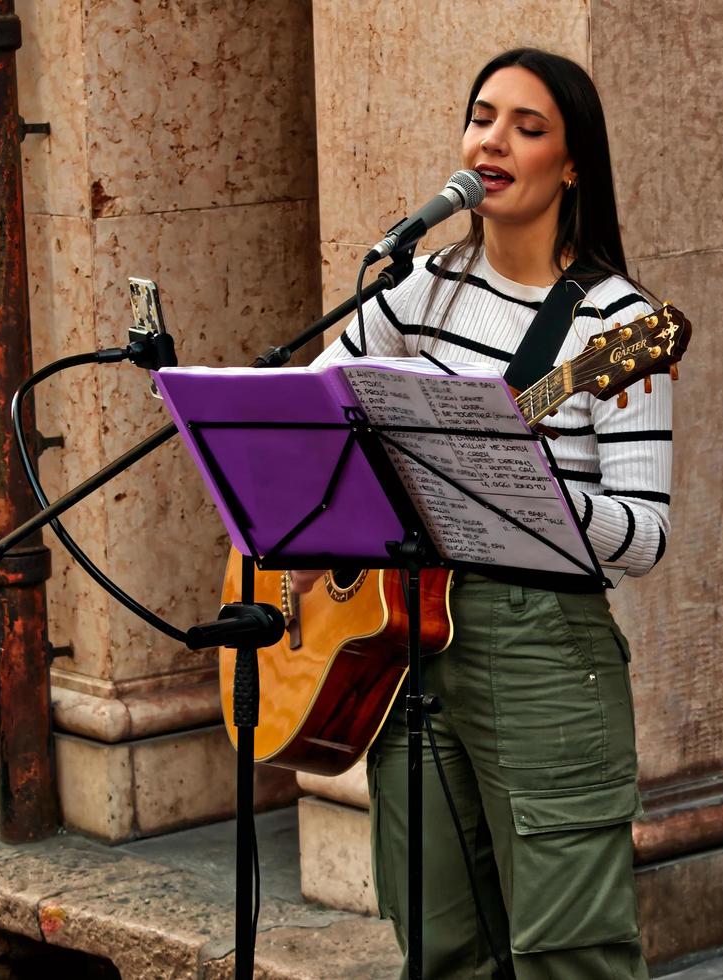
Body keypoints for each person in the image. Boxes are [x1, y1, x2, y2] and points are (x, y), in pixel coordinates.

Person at [293, 47, 670, 980]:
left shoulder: (617, 328)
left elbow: (646, 532)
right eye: (481, 117)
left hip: (543, 647)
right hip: (403, 642)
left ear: (572, 163)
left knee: (565, 954)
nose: (492, 140)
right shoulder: (418, 286)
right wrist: (304, 525)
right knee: (437, 940)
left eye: (527, 127)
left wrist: (530, 489)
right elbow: (307, 418)